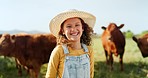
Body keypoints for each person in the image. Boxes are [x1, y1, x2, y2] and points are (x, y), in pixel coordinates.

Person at [45, 9, 96, 78]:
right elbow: (50, 76)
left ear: (82, 28)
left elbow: (91, 75)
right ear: (62, 31)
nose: (73, 29)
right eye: (69, 26)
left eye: (77, 25)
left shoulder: (89, 50)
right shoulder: (59, 51)